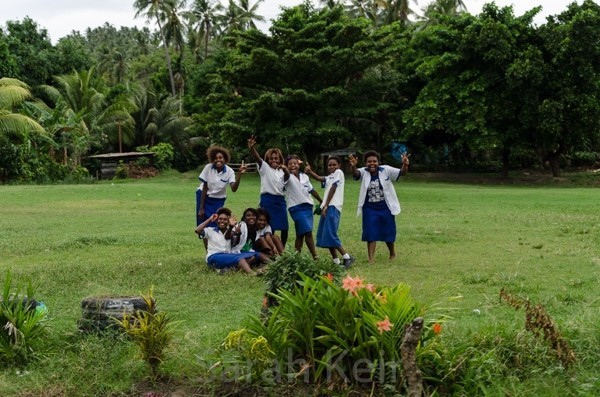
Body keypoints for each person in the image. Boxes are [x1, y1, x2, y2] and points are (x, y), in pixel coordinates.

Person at [349, 150, 410, 263]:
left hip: (385, 206)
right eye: (369, 162)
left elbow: (402, 172)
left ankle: (392, 253)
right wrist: (353, 167)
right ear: (365, 163)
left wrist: (405, 164)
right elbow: (356, 174)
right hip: (369, 208)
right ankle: (371, 259)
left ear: (378, 162)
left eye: (374, 161)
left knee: (388, 230)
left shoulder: (385, 170)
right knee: (370, 231)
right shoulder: (363, 172)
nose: (372, 164)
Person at [305, 156, 354, 268]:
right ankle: (336, 261)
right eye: (329, 165)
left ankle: (347, 257)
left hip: (333, 206)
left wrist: (326, 204)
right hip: (326, 207)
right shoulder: (330, 176)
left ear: (339, 165)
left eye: (334, 164)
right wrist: (310, 171)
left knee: (330, 233)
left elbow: (333, 188)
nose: (331, 167)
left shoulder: (339, 172)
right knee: (325, 234)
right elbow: (319, 178)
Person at [196, 146, 246, 243]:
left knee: (217, 223)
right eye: (215, 158)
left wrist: (239, 174)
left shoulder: (229, 171)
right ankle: (208, 251)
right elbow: (205, 187)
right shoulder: (208, 167)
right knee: (204, 225)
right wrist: (201, 208)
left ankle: (217, 247)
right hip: (204, 197)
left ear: (225, 159)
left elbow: (234, 188)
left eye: (220, 158)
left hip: (218, 200)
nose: (218, 160)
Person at [194, 207, 264, 275]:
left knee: (253, 256)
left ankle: (228, 269)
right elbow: (197, 230)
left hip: (228, 255)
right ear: (216, 220)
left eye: (225, 219)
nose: (222, 221)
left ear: (228, 221)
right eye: (220, 219)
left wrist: (238, 233)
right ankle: (252, 273)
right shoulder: (210, 230)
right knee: (240, 259)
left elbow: (233, 241)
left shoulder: (230, 231)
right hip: (214, 256)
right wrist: (210, 219)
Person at [247, 135, 288, 246]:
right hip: (268, 200)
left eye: (276, 158)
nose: (274, 160)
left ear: (280, 159)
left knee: (285, 227)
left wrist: (285, 169)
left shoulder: (282, 171)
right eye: (271, 158)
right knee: (270, 225)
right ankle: (271, 247)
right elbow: (258, 158)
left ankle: (282, 248)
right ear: (267, 160)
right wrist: (252, 148)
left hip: (280, 201)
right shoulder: (265, 168)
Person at [281, 155, 322, 259]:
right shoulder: (287, 177)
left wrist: (321, 201)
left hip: (308, 207)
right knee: (308, 232)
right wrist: (285, 170)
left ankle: (296, 256)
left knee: (300, 234)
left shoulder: (305, 177)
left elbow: (311, 190)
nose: (292, 166)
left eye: (294, 163)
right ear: (287, 166)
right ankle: (315, 256)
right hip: (295, 208)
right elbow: (286, 174)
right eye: (290, 164)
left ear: (298, 165)